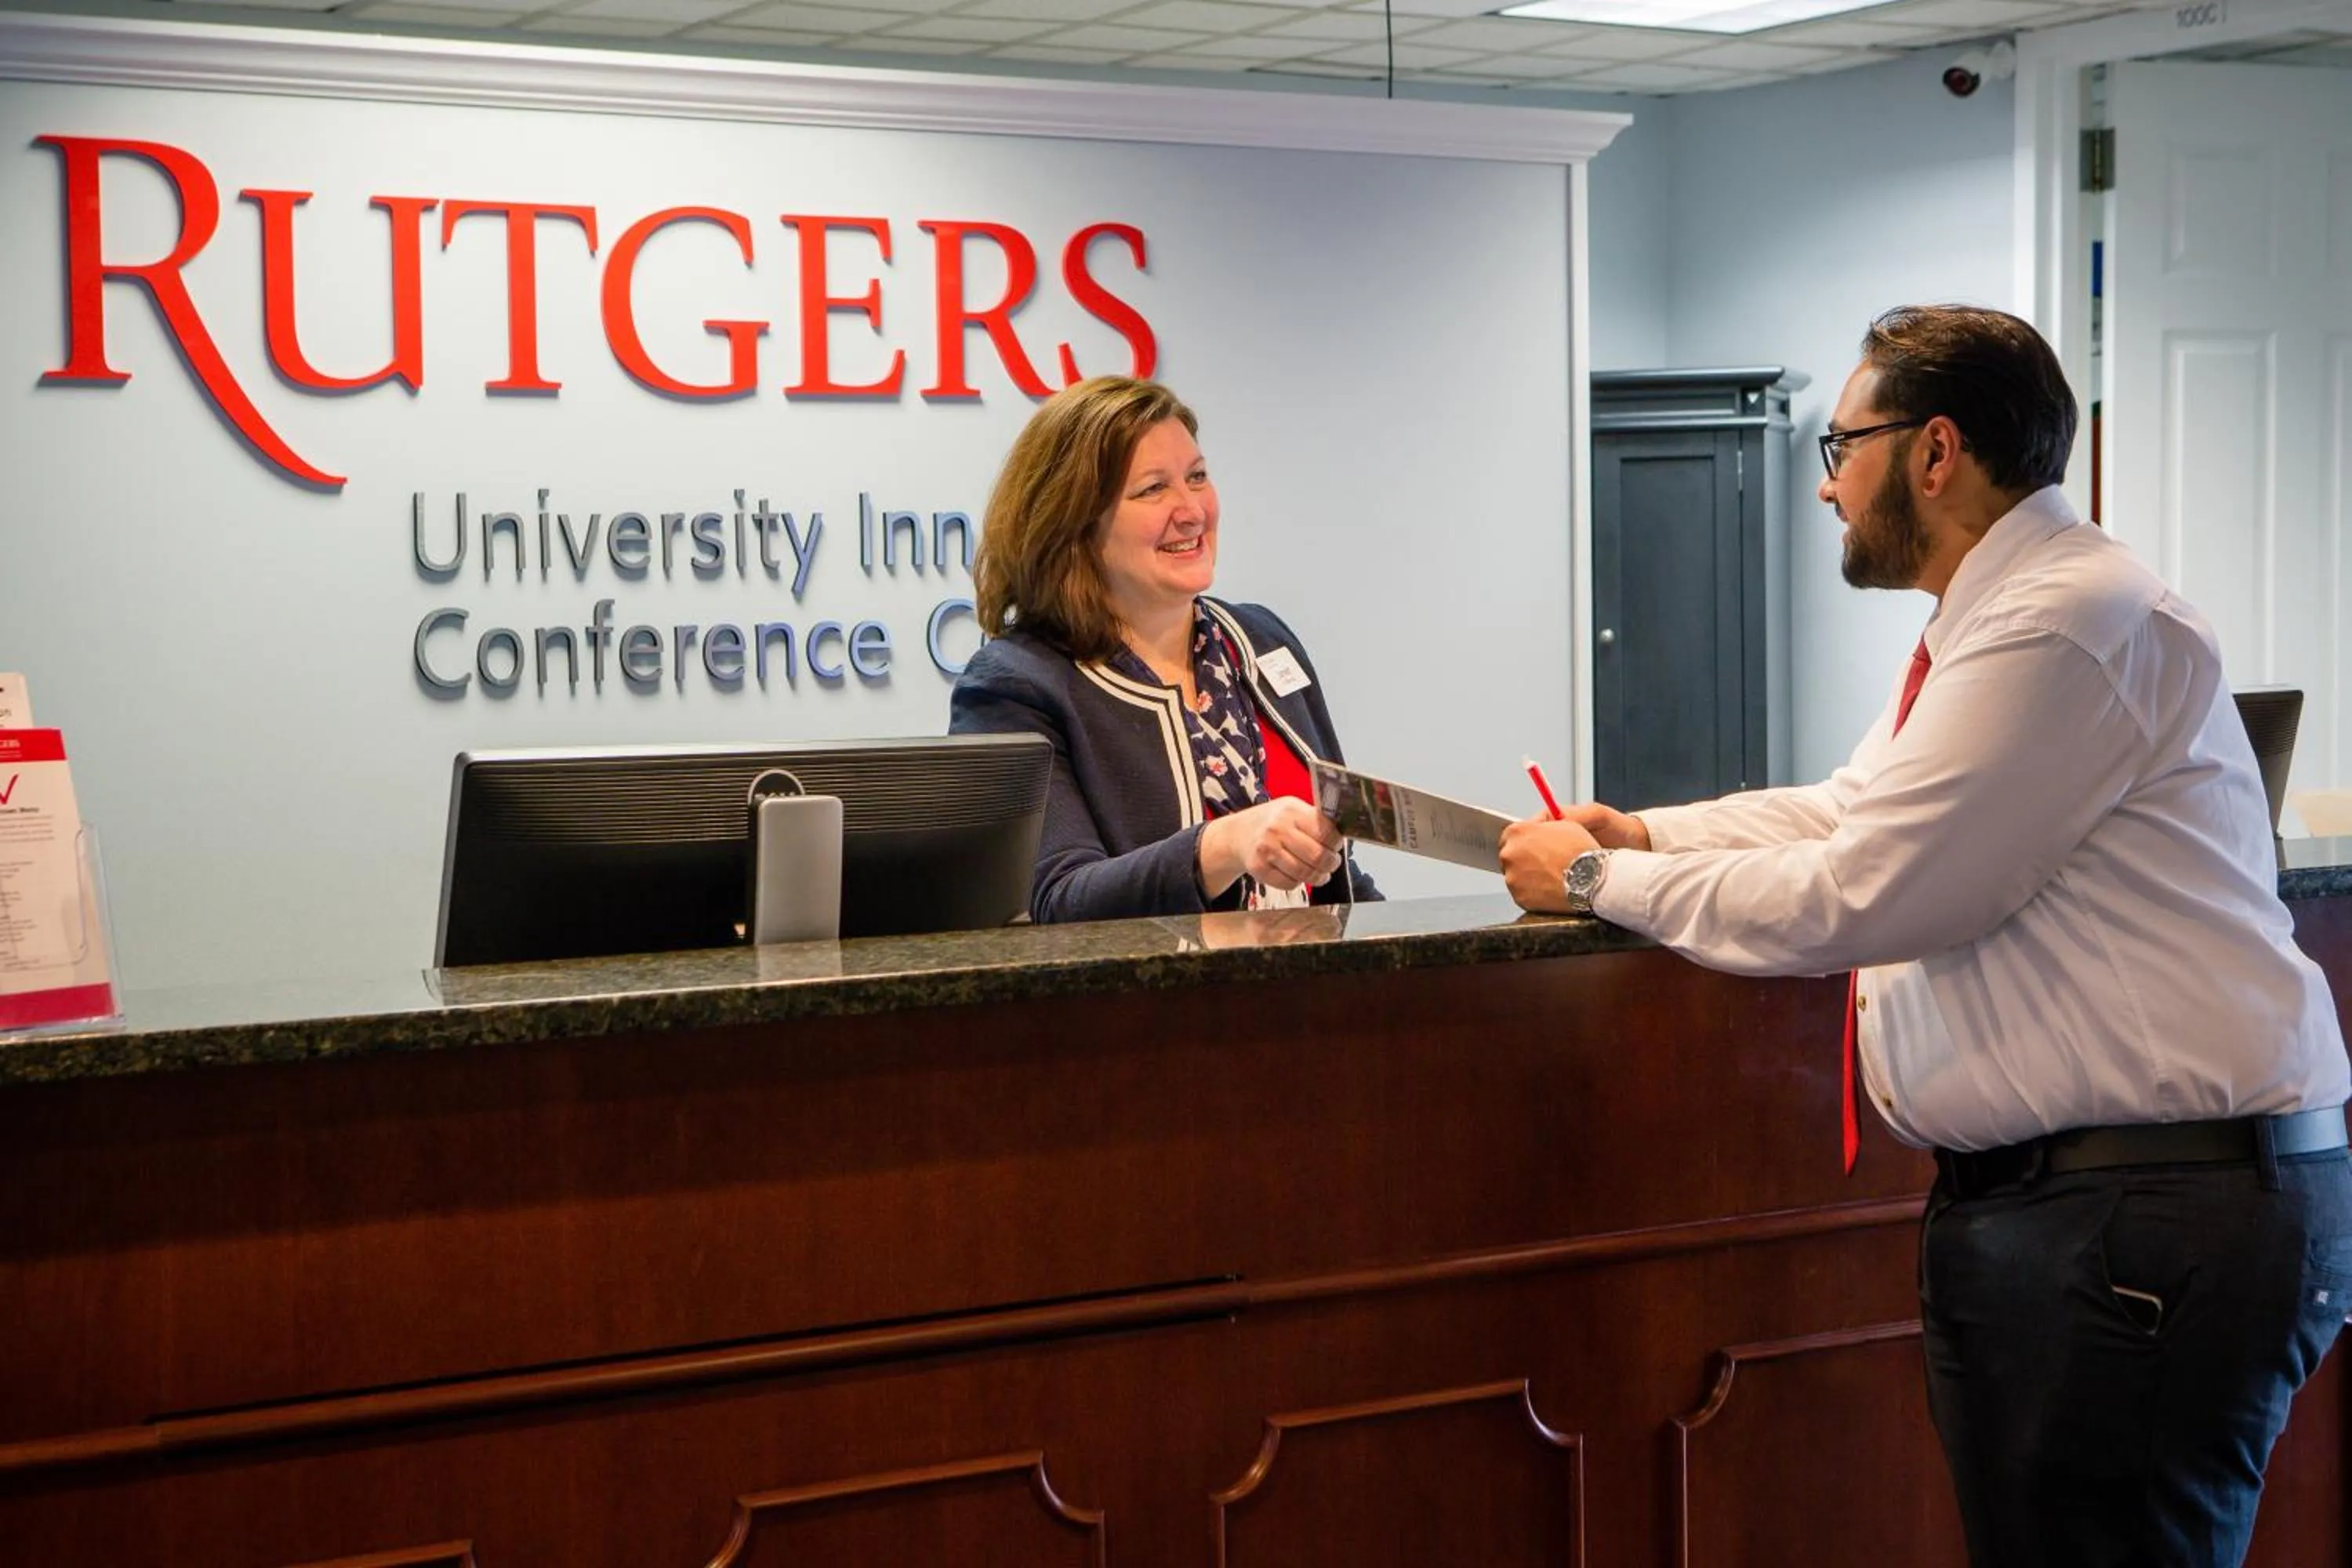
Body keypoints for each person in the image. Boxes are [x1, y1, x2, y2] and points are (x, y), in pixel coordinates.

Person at [1499, 304, 2352, 1567]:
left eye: (1842, 445)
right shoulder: (2006, 612)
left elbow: (1868, 891)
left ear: (1937, 450)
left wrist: (1592, 885)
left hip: (2147, 1210)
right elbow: (1861, 805)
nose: (1830, 483)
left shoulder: (2063, 622)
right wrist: (1649, 839)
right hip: (2098, 1209)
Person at [949, 376, 1379, 924]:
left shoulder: (1263, 640)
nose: (1191, 510)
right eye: (1153, 489)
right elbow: (1057, 905)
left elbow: (1336, 873)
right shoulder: (1017, 686)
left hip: (1313, 1000)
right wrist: (1223, 845)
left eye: (1197, 477)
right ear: (1075, 524)